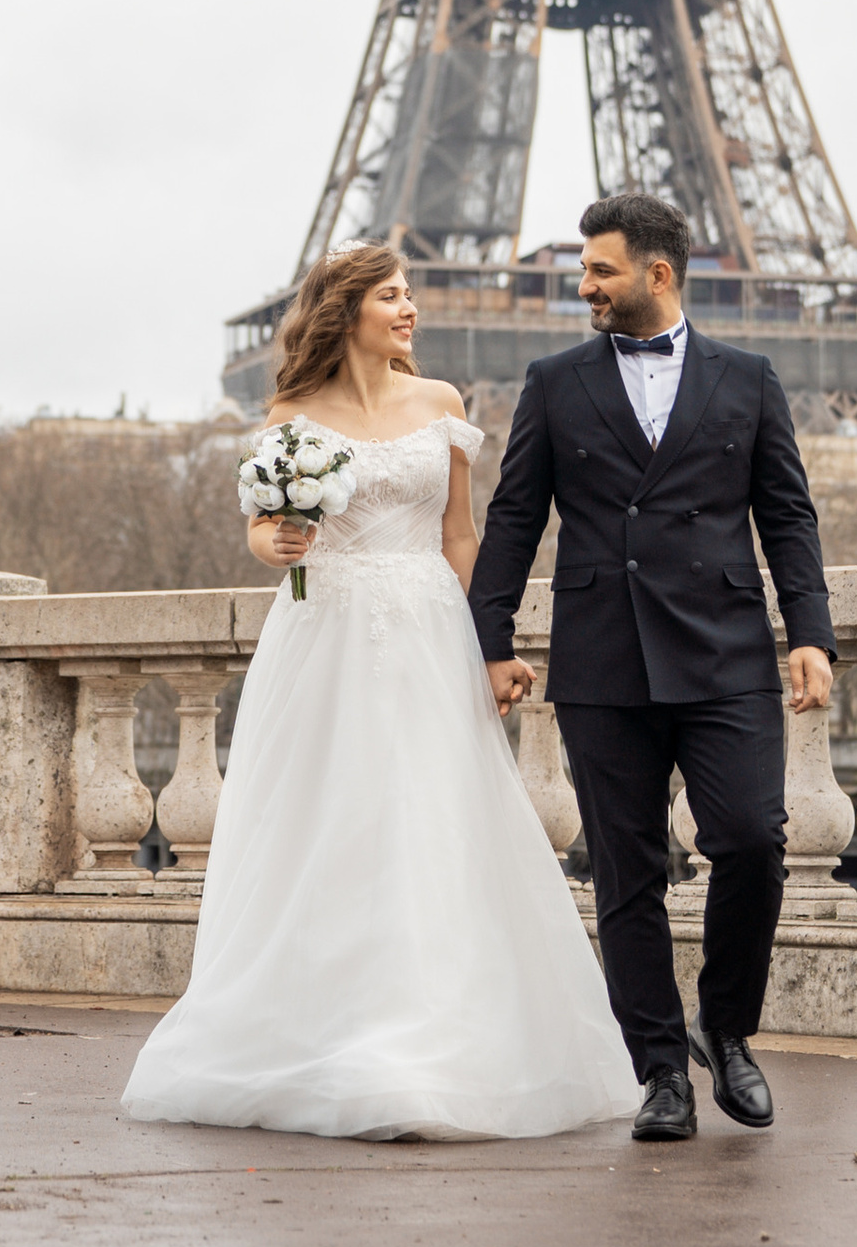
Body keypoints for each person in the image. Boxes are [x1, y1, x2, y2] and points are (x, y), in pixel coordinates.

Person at [120, 241, 637, 1142]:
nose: (410, 311)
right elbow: (265, 525)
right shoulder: (290, 411)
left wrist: (490, 645)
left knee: (433, 823)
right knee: (331, 826)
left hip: (430, 632)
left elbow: (462, 537)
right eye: (393, 297)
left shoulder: (441, 404)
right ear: (346, 308)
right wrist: (269, 546)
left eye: (409, 296)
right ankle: (331, 1030)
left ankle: (435, 1038)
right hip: (325, 639)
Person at [468, 190, 836, 1142]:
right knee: (626, 872)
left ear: (657, 274)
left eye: (599, 270)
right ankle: (661, 1069)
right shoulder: (555, 382)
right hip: (604, 656)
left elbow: (786, 515)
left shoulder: (750, 379)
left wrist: (810, 630)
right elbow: (514, 519)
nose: (582, 286)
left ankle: (729, 1024)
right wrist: (492, 641)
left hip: (724, 651)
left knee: (752, 838)